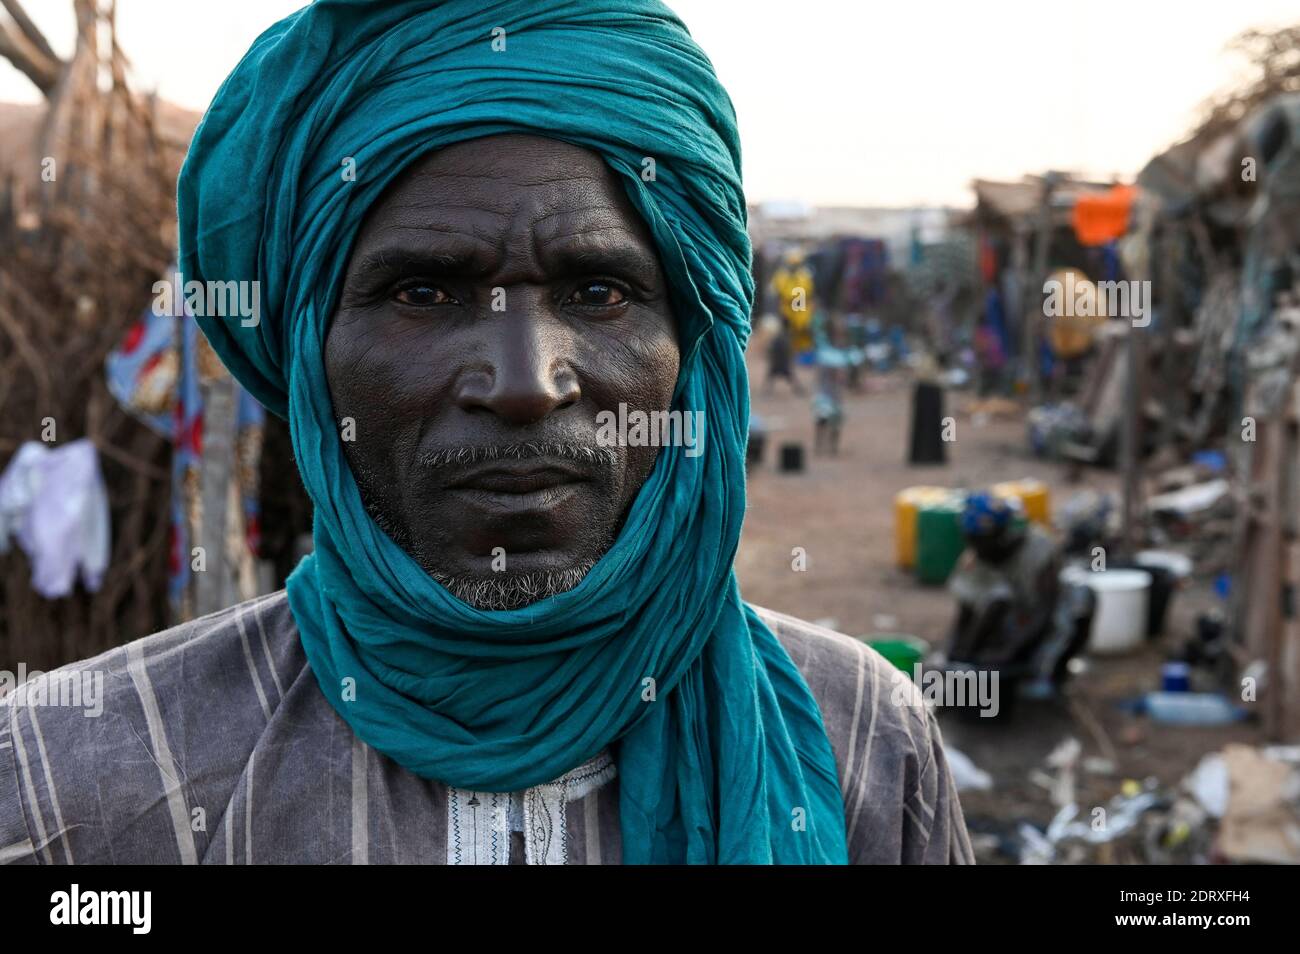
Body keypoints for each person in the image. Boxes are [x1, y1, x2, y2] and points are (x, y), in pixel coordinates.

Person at [0, 0, 971, 866]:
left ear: (694, 351)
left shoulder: (869, 741)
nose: (523, 385)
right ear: (308, 355)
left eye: (600, 292)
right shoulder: (74, 778)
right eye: (424, 292)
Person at [944, 494, 1091, 701]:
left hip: (1043, 617)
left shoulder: (1038, 550)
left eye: (980, 542)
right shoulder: (976, 556)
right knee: (995, 601)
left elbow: (1044, 610)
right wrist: (958, 655)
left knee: (1081, 597)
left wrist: (1009, 653)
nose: (975, 548)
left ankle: (1052, 674)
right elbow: (966, 610)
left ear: (1000, 535)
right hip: (1011, 618)